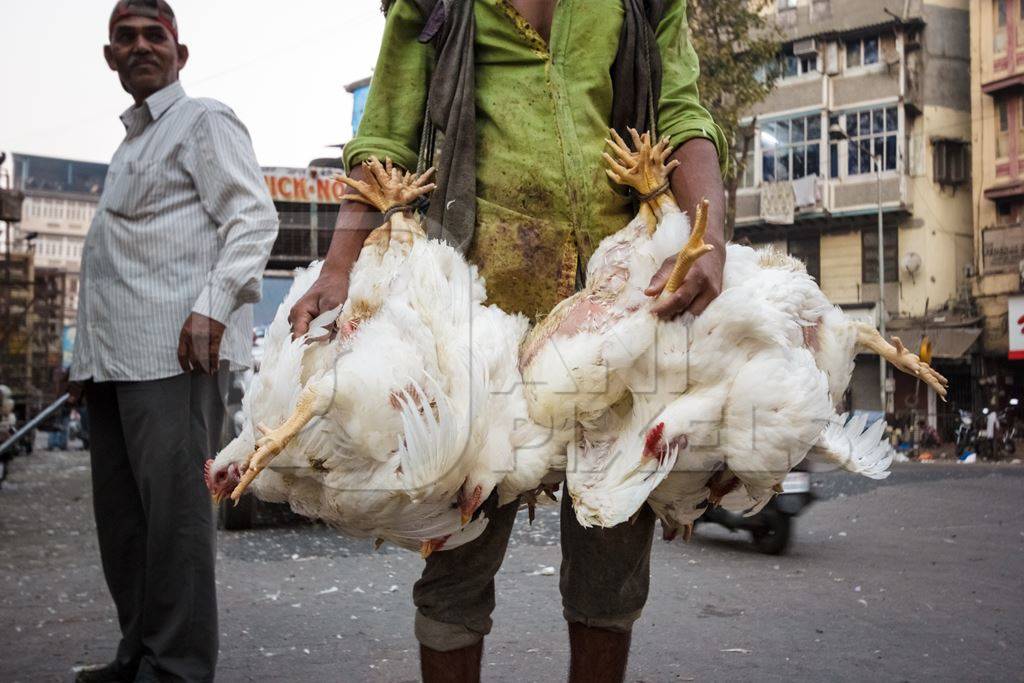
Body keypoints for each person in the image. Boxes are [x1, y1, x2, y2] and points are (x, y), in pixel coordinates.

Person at [288, 1, 728, 681]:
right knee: (456, 551)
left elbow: (684, 117)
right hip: (472, 317)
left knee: (610, 561)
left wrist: (708, 236)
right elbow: (385, 143)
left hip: (613, 311)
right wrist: (338, 268)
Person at [69, 2, 278, 680]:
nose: (139, 46)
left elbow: (252, 218)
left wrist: (213, 308)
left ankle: (178, 666)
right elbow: (112, 259)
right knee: (125, 526)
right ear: (109, 58)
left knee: (176, 524)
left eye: (153, 35)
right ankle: (139, 654)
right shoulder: (131, 145)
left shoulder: (202, 120)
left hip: (175, 356)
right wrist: (83, 359)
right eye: (124, 38)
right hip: (114, 363)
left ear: (179, 54)